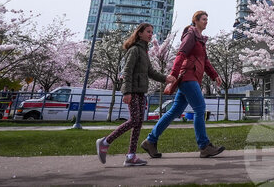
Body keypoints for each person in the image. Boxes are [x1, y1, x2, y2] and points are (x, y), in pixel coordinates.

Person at [140, 11, 225, 159]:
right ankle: (204, 146)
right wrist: (173, 73)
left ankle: (150, 140)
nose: (206, 22)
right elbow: (181, 54)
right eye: (204, 19)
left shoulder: (200, 39)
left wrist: (215, 75)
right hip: (188, 77)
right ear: (196, 20)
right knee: (200, 109)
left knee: (173, 111)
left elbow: (205, 61)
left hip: (192, 78)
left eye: (207, 19)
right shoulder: (191, 34)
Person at [96, 23, 173, 167]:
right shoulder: (134, 50)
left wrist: (165, 78)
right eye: (148, 32)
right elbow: (127, 71)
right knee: (134, 120)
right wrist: (127, 92)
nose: (151, 34)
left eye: (152, 32)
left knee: (138, 123)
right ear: (140, 33)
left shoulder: (144, 51)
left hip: (141, 91)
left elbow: (150, 72)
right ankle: (105, 142)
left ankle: (131, 156)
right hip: (133, 91)